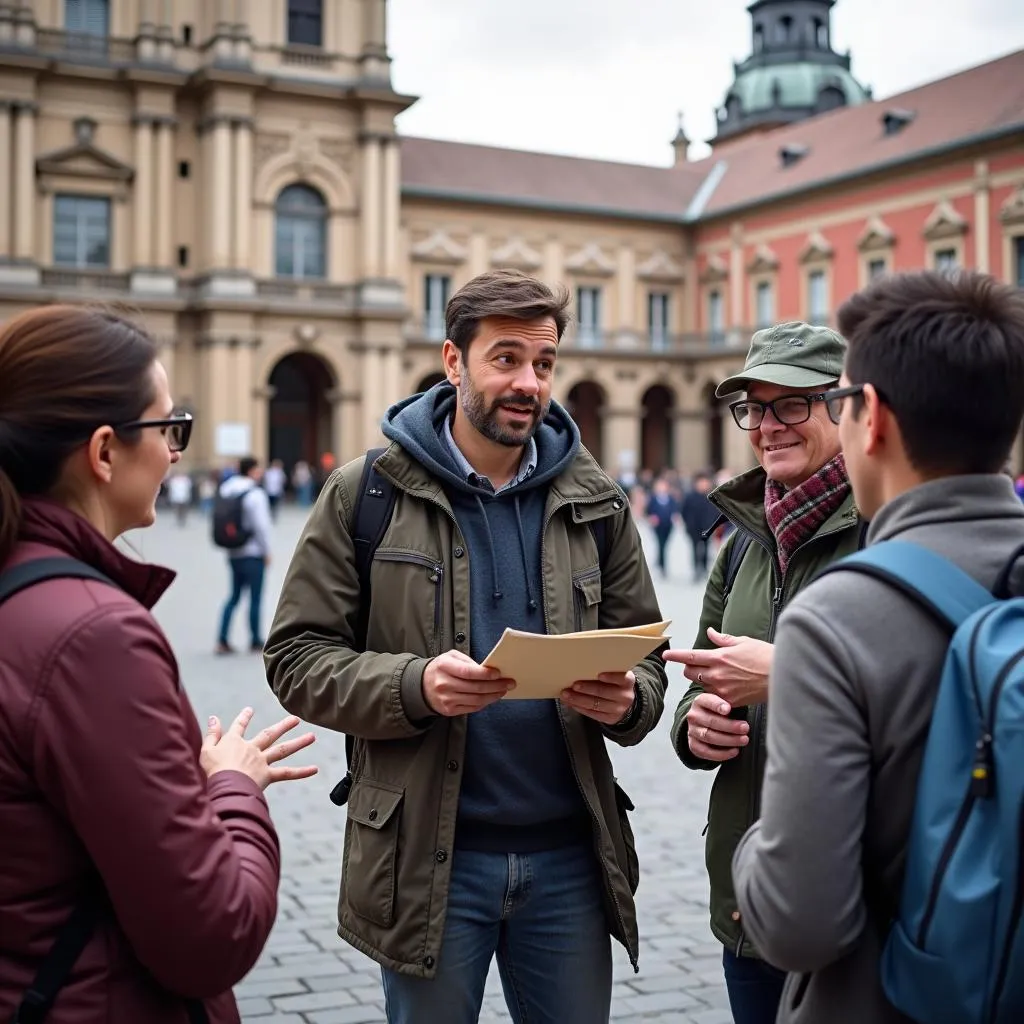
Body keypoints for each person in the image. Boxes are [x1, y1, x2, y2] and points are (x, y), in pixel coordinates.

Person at [265, 269, 668, 1024]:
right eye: (506, 358)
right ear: (453, 362)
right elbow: (296, 657)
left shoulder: (598, 500)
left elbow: (645, 658)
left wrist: (629, 699)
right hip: (428, 864)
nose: (528, 382)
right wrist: (414, 687)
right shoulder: (366, 493)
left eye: (543, 364)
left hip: (571, 862)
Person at [0, 306, 317, 1024]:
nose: (177, 451)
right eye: (169, 426)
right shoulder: (94, 636)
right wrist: (233, 785)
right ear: (105, 451)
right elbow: (212, 935)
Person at [732, 271, 1024, 1023]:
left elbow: (801, 922)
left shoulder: (837, 622)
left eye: (837, 400)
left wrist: (748, 849)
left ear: (874, 419)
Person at [663, 321, 864, 1024]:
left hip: (858, 900)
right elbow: (700, 681)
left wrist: (787, 674)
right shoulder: (744, 543)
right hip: (750, 891)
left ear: (846, 408)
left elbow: (928, 692)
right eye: (754, 408)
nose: (767, 427)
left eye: (791, 405)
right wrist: (696, 727)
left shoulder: (887, 530)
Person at [216, 456, 272, 655]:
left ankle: (222, 639)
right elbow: (261, 526)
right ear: (252, 470)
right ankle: (255, 639)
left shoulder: (226, 488)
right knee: (255, 597)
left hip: (233, 550)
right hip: (253, 551)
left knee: (233, 596)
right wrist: (267, 551)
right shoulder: (255, 493)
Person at [680, 472, 719, 581]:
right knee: (694, 548)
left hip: (708, 527)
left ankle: (704, 567)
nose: (703, 484)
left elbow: (716, 511)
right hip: (693, 528)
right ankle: (696, 569)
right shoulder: (690, 497)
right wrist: (688, 523)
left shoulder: (711, 496)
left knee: (706, 548)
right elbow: (684, 511)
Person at [645, 475, 680, 578]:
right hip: (657, 525)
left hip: (668, 525)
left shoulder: (671, 498)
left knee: (664, 544)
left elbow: (675, 509)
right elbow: (648, 511)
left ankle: (659, 561)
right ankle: (662, 565)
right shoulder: (653, 498)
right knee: (661, 544)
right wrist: (651, 518)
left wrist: (675, 516)